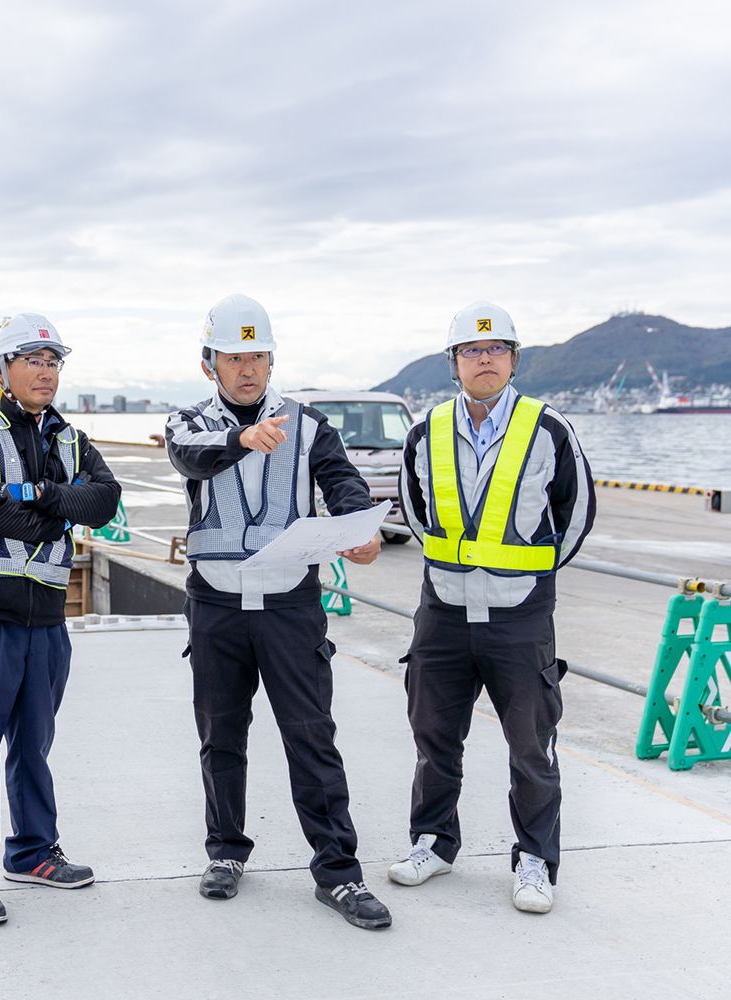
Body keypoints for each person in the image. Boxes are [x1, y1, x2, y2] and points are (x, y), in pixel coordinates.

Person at [165, 293, 391, 931]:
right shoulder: (190, 422)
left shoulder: (309, 423)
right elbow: (191, 457)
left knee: (311, 734)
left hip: (290, 605)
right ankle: (226, 852)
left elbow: (342, 480)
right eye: (234, 357)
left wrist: (358, 529)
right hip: (217, 603)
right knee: (221, 736)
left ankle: (339, 873)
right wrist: (242, 438)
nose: (248, 369)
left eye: (258, 356)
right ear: (210, 363)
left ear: (270, 359)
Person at [390, 300, 595, 914]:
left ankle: (534, 859)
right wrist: (458, 566)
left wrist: (522, 576)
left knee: (532, 744)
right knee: (433, 734)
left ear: (514, 359)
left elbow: (576, 514)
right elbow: (415, 507)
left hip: (520, 614)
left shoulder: (547, 427)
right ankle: (433, 841)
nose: (486, 359)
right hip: (444, 611)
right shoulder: (426, 430)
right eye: (473, 351)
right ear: (454, 362)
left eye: (497, 349)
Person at [0, 312, 121, 925]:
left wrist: (42, 495)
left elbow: (105, 500)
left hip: (46, 619)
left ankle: (33, 851)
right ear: (2, 369)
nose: (46, 371)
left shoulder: (69, 439)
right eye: (33, 360)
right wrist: (58, 510)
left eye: (54, 361)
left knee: (34, 744)